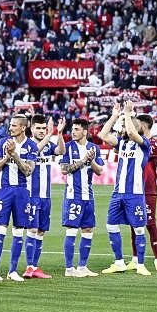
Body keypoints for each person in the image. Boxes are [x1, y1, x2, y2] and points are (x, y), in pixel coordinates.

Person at [98, 101, 152, 276]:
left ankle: (141, 264)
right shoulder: (122, 144)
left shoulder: (144, 144)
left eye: (124, 126)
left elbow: (130, 131)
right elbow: (102, 134)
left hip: (135, 194)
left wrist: (128, 114)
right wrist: (115, 115)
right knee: (111, 226)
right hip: (118, 193)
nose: (122, 129)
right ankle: (119, 262)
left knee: (138, 229)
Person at [0, 114, 38, 282]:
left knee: (18, 230)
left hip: (22, 191)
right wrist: (6, 157)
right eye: (10, 125)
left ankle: (13, 270)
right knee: (0, 229)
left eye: (14, 126)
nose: (10, 128)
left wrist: (15, 155)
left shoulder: (31, 146)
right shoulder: (3, 142)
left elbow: (28, 171)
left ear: (23, 128)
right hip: (3, 190)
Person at [59, 118, 104, 277]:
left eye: (77, 129)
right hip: (73, 196)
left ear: (85, 131)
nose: (73, 132)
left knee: (87, 229)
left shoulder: (94, 148)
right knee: (71, 230)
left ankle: (82, 266)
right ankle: (69, 268)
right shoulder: (68, 147)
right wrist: (83, 160)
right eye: (73, 129)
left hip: (88, 196)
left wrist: (90, 161)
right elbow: (64, 170)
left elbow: (99, 171)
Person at [24, 114, 65, 279]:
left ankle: (34, 266)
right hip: (31, 195)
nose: (41, 131)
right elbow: (35, 151)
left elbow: (61, 151)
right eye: (39, 128)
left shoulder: (48, 145)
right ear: (32, 129)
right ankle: (29, 266)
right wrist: (50, 133)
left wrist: (59, 134)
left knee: (41, 231)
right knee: (32, 229)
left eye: (43, 128)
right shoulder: (28, 145)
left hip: (45, 195)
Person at [128, 114, 157, 272]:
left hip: (148, 190)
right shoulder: (133, 144)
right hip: (134, 189)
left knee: (150, 224)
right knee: (133, 224)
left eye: (137, 124)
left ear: (143, 125)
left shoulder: (154, 145)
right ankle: (135, 259)